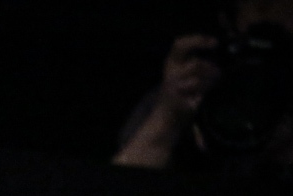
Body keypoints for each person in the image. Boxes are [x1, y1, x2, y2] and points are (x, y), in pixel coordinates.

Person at [114, 0, 293, 175]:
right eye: (264, 6)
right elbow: (120, 188)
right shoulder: (192, 90)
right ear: (228, 20)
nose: (281, 19)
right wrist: (168, 118)